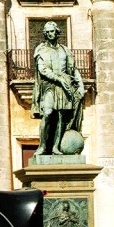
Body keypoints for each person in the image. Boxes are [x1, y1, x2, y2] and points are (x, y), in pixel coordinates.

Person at [32, 21, 85, 155]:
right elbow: (43, 69)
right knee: (48, 114)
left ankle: (56, 147)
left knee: (61, 117)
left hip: (64, 87)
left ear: (57, 32)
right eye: (47, 32)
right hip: (49, 86)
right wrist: (59, 79)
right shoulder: (41, 50)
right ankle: (43, 146)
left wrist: (80, 85)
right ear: (45, 34)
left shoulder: (65, 51)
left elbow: (73, 70)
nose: (50, 34)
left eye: (52, 31)